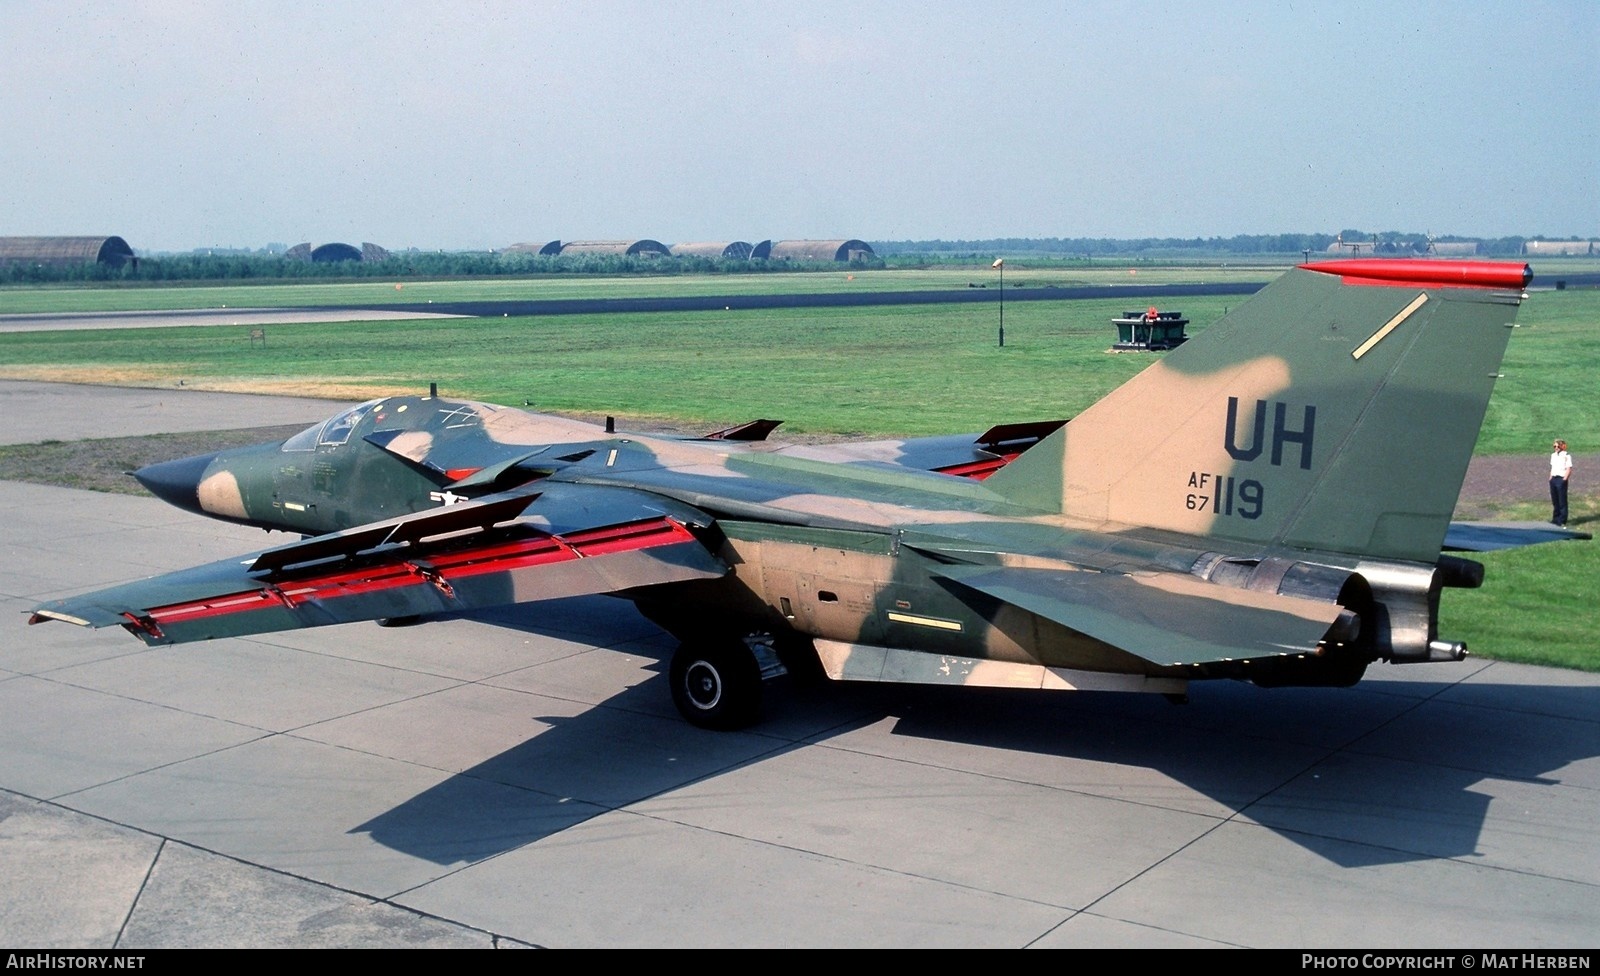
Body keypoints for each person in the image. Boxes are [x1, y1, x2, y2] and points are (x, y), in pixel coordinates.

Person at [1550, 439, 1573, 527]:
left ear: (1562, 446)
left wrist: (1564, 479)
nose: (1556, 448)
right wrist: (1550, 478)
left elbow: (1569, 468)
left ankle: (1562, 519)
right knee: (1555, 500)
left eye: (1557, 446)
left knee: (1562, 500)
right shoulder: (1553, 455)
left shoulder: (1566, 455)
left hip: (1561, 479)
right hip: (1554, 478)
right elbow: (1552, 467)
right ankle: (1555, 518)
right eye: (1554, 446)